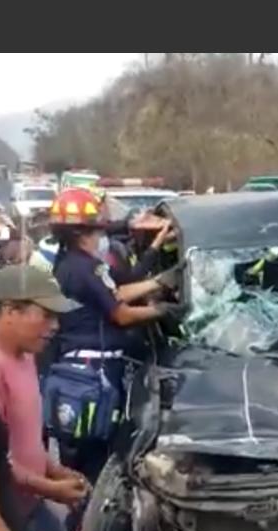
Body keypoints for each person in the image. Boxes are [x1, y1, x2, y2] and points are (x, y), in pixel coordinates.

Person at [48, 187, 183, 484]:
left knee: (88, 456)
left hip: (83, 369)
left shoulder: (71, 264)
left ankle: (84, 515)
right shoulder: (84, 268)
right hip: (94, 371)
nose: (101, 234)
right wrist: (164, 311)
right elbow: (120, 312)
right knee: (98, 459)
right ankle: (88, 522)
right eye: (97, 227)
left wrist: (157, 282)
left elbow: (119, 290)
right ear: (84, 232)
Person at [0, 265, 86, 531]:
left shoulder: (26, 356)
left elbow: (26, 438)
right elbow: (0, 462)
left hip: (35, 512)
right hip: (7, 527)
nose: (55, 326)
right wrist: (52, 489)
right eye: (45, 314)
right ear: (10, 310)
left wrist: (56, 470)